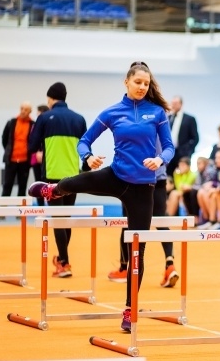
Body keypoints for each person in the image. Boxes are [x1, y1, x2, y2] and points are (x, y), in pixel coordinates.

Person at [29, 62, 174, 333]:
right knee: (77, 181)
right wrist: (89, 156)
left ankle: (130, 310)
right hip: (116, 176)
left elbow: (169, 147)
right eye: (138, 82)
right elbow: (83, 141)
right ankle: (52, 191)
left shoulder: (157, 113)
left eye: (146, 83)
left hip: (143, 188)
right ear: (127, 82)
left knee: (137, 251)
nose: (142, 87)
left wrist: (159, 159)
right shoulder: (112, 112)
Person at [27, 82, 87, 278]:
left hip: (52, 176)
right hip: (73, 175)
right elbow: (86, 146)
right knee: (65, 219)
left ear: (51, 99)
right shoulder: (79, 119)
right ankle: (63, 260)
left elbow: (32, 145)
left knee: (57, 220)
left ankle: (64, 262)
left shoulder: (44, 118)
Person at [108, 137, 179, 289]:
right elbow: (169, 150)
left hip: (135, 181)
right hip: (159, 179)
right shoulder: (161, 121)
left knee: (128, 222)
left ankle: (123, 268)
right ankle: (170, 264)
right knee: (161, 222)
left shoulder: (137, 122)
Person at [0, 101, 34, 197]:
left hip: (25, 161)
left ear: (30, 111)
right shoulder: (11, 122)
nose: (23, 111)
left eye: (26, 109)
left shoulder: (33, 125)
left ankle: (22, 212)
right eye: (21, 108)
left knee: (22, 188)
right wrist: (9, 150)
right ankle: (3, 211)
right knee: (7, 186)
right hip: (11, 160)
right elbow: (4, 139)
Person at [166, 96, 198, 177]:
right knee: (168, 174)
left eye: (176, 103)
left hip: (183, 153)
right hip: (170, 152)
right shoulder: (168, 118)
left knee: (182, 175)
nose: (173, 105)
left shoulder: (189, 119)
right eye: (172, 103)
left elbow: (195, 138)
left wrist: (189, 151)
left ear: (181, 104)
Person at [30, 104, 49, 205]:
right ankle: (40, 207)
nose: (38, 116)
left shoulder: (49, 124)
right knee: (38, 183)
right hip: (35, 159)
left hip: (47, 158)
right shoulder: (35, 125)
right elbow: (33, 140)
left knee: (47, 183)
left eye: (40, 114)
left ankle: (49, 204)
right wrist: (37, 152)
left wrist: (42, 152)